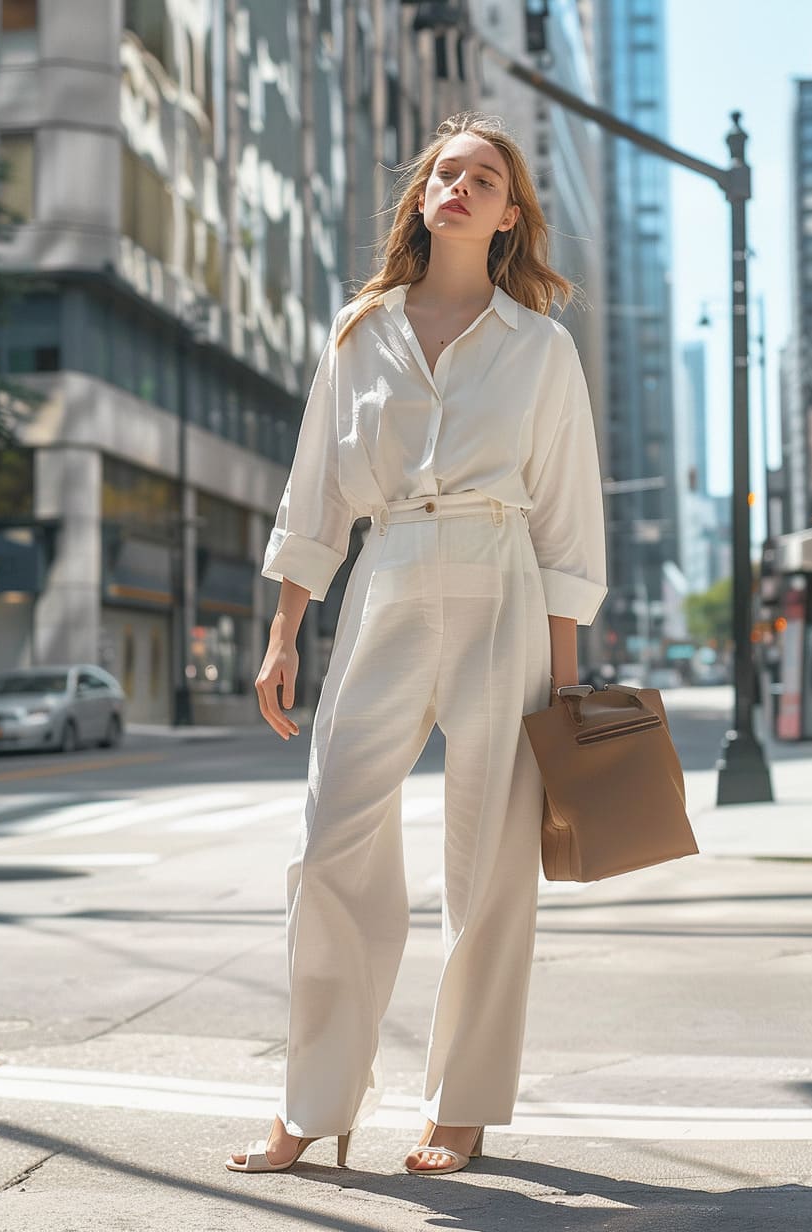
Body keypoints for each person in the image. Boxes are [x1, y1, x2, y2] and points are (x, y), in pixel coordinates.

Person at [228, 112, 607, 1176]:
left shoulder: (540, 346)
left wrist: (563, 681)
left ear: (507, 215)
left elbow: (567, 515)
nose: (460, 185)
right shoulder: (361, 330)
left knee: (487, 862)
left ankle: (460, 1107)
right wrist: (283, 630)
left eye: (483, 177)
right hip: (386, 575)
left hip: (500, 582)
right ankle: (313, 1102)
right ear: (423, 196)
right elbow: (315, 492)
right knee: (328, 842)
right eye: (446, 171)